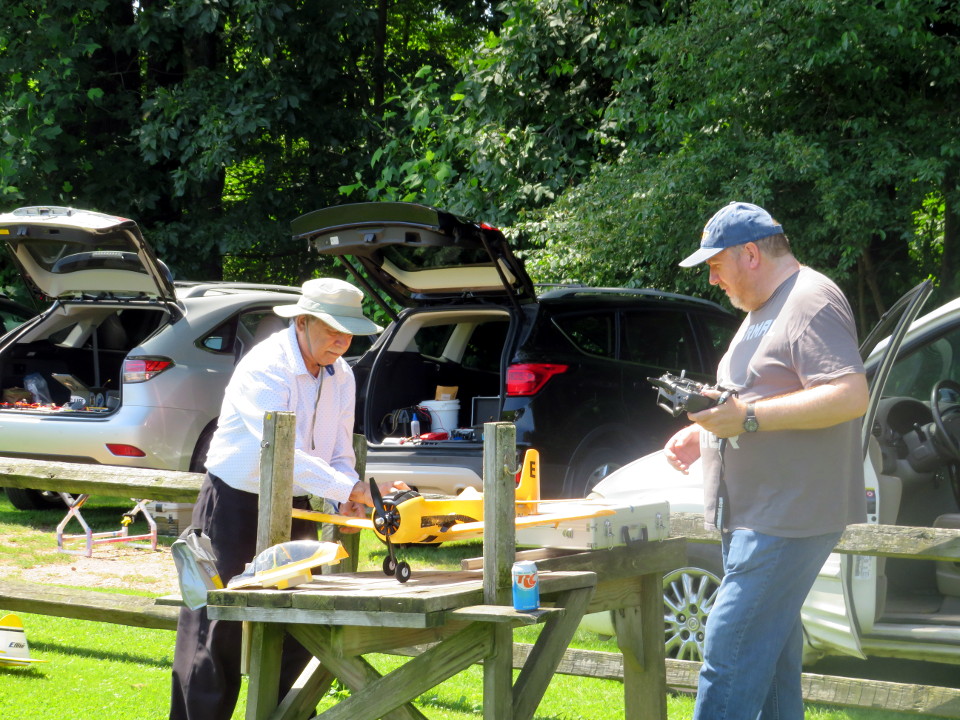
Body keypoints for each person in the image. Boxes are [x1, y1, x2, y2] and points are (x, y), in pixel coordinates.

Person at [663, 202, 868, 720]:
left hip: (786, 519)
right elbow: (754, 395)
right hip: (753, 518)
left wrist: (746, 418)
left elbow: (848, 394)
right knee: (773, 669)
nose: (712, 279)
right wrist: (702, 431)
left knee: (726, 657)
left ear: (750, 253)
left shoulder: (810, 300)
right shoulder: (762, 311)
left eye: (715, 264)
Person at [169, 277, 406, 720]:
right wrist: (346, 488)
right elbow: (278, 451)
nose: (342, 340)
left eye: (349, 331)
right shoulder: (265, 366)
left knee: (299, 625)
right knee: (215, 630)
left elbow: (338, 450)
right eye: (333, 329)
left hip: (297, 506)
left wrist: (344, 497)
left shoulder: (344, 375)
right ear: (301, 321)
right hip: (233, 504)